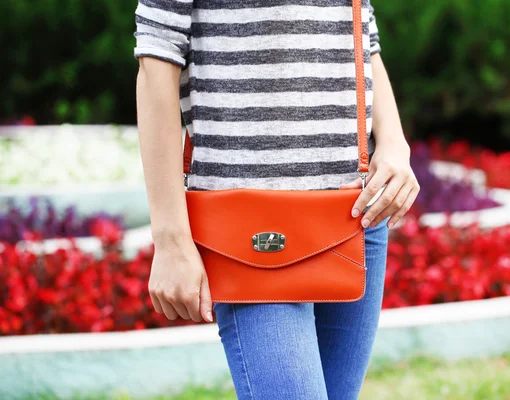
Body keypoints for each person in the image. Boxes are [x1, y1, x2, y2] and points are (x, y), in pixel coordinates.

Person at [133, 0, 419, 399]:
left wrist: (393, 144)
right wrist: (170, 240)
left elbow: (361, 31)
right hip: (252, 232)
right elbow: (156, 57)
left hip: (357, 214)